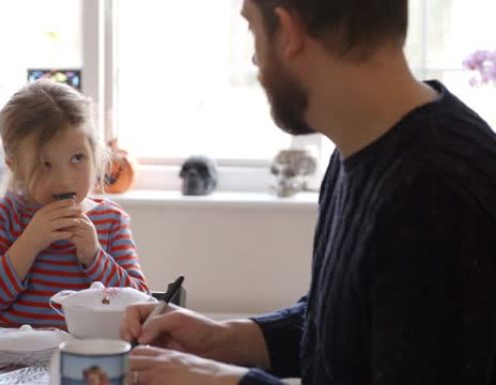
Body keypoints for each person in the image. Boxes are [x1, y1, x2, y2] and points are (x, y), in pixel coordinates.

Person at [120, 0, 496, 384]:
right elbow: (347, 329)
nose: (254, 60)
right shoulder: (363, 146)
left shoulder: (437, 195)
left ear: (289, 32)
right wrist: (227, 339)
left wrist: (228, 382)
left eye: (253, 29)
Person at [0, 80, 149, 328]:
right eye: (45, 165)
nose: (64, 179)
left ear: (96, 156)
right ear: (16, 167)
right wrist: (28, 244)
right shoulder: (4, 216)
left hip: (87, 357)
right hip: (11, 359)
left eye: (77, 158)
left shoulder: (111, 221)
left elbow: (138, 305)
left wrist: (94, 256)